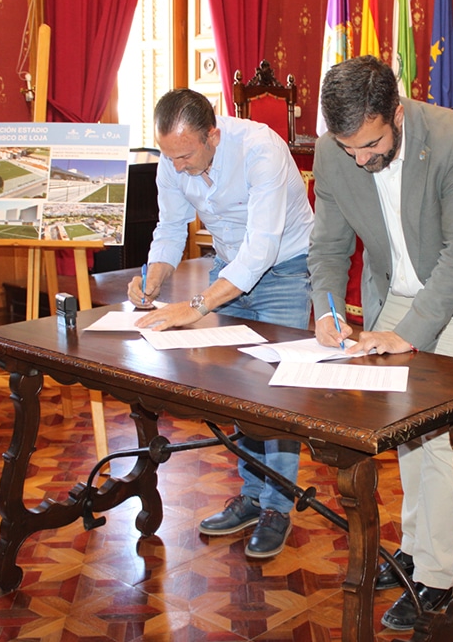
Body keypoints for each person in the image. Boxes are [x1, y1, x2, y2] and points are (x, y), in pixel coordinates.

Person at [309, 55, 453, 631]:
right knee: (406, 435)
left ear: (398, 112)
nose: (360, 160)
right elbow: (329, 247)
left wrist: (408, 335)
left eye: (372, 144)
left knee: (433, 435)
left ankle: (433, 579)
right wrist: (329, 311)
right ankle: (413, 549)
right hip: (398, 294)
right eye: (349, 149)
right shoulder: (332, 152)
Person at [127, 88, 314, 559]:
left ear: (213, 133)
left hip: (286, 269)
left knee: (275, 393)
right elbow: (170, 228)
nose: (179, 166)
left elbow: (263, 248)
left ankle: (277, 507)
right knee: (237, 390)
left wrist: (198, 304)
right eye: (170, 157)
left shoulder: (261, 149)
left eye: (186, 155)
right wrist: (153, 276)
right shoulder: (173, 160)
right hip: (227, 267)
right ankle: (252, 497)